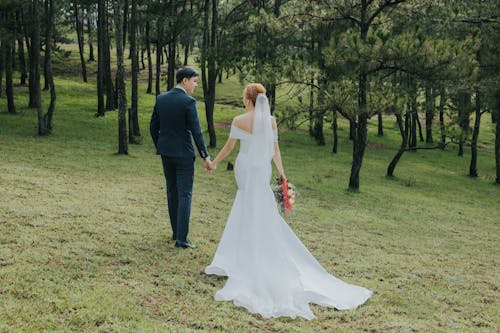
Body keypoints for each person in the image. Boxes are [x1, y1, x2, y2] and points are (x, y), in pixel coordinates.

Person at [205, 83, 372, 319]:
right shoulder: (270, 121)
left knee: (245, 206)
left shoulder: (239, 120)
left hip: (245, 168)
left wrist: (214, 163)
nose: (243, 100)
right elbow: (275, 151)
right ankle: (246, 254)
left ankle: (241, 258)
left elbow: (230, 146)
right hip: (261, 170)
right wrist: (282, 174)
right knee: (258, 209)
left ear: (248, 99)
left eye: (244, 96)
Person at [150, 66, 212, 249]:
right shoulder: (188, 102)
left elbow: (153, 126)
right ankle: (182, 239)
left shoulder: (161, 99)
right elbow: (197, 132)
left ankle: (176, 232)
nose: (195, 85)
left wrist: (160, 145)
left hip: (166, 153)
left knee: (172, 191)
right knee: (185, 193)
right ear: (184, 80)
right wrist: (205, 155)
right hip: (184, 155)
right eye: (194, 81)